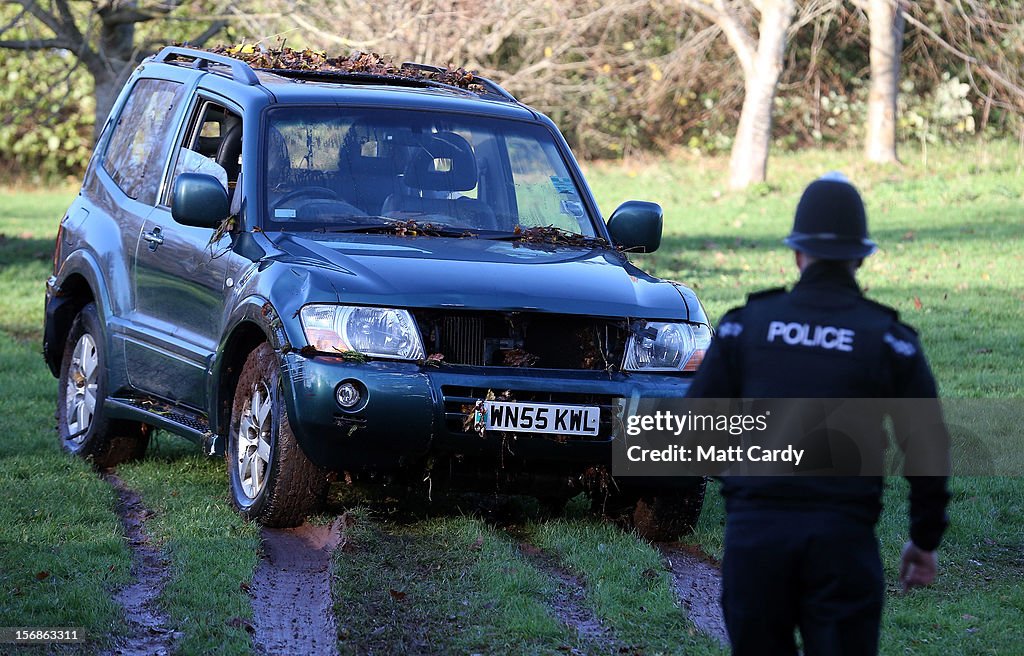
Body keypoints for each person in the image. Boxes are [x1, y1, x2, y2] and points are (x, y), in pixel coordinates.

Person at [686, 172, 951, 656]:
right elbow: (928, 446)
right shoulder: (890, 341)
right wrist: (923, 539)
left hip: (755, 541)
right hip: (842, 546)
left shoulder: (745, 328)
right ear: (861, 256)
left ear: (796, 252)